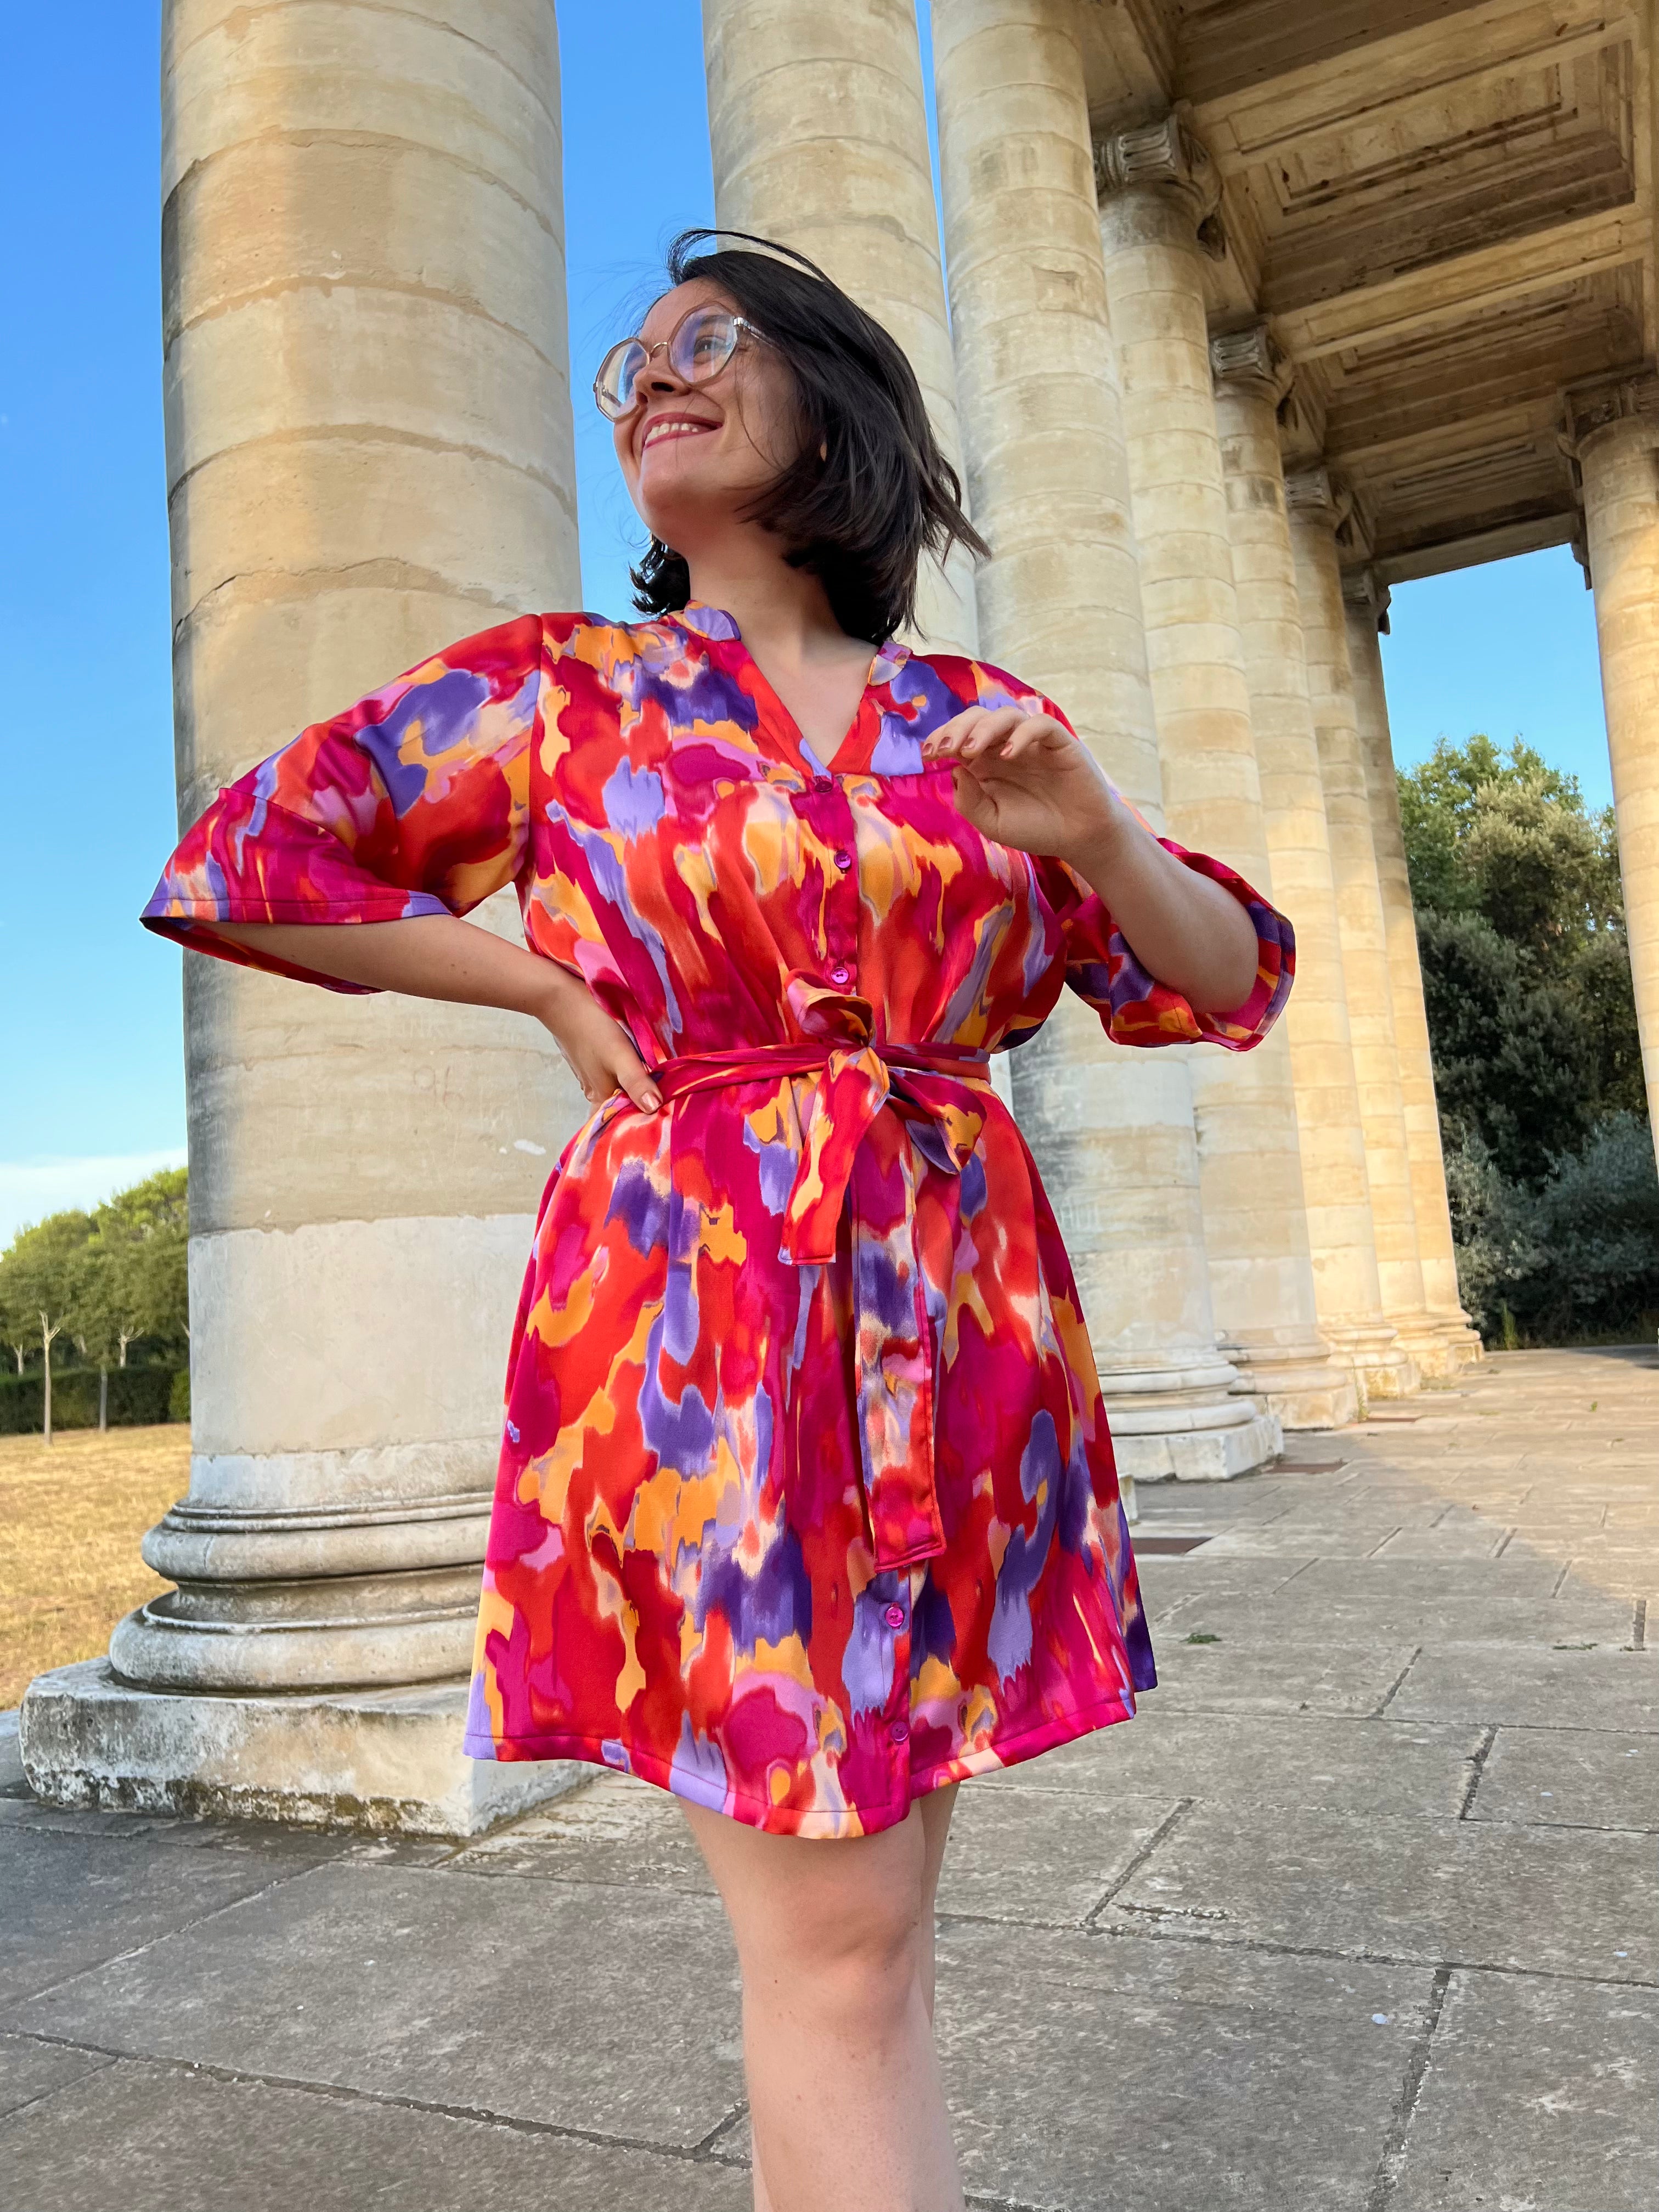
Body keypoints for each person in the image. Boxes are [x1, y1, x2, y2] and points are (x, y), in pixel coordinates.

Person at [143, 228, 1293, 2212]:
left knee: (870, 1935)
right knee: (841, 1941)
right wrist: (537, 982)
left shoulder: (975, 717)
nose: (651, 380)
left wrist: (1100, 832)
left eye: (706, 340)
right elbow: (251, 860)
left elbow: (1220, 974)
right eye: (633, 365)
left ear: (831, 399)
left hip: (958, 1333)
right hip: (708, 1334)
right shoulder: (562, 692)